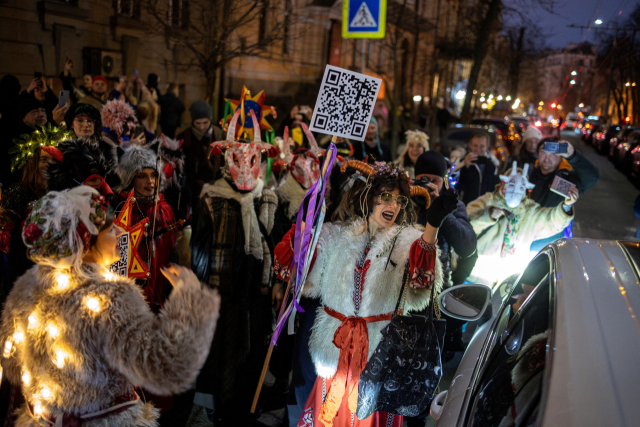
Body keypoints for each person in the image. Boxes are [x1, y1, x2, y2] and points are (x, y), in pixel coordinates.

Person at [0, 185, 219, 426]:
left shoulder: (28, 287)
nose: (119, 231)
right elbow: (166, 364)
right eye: (108, 229)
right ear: (85, 242)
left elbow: (11, 365)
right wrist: (189, 299)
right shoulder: (109, 297)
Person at [274, 160, 457, 427]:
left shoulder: (407, 240)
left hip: (379, 353)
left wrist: (432, 227)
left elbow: (421, 281)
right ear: (369, 198)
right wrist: (306, 223)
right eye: (385, 197)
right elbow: (293, 269)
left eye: (399, 201)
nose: (393, 206)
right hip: (335, 350)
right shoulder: (336, 234)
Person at [190, 110, 279, 426]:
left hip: (254, 294)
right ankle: (206, 410)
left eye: (251, 161)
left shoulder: (264, 199)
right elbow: (199, 246)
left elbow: (270, 242)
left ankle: (241, 412)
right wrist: (204, 288)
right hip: (220, 293)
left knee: (250, 355)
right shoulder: (212, 199)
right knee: (215, 355)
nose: (244, 168)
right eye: (237, 160)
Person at [466, 162, 578, 285]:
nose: (515, 190)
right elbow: (466, 224)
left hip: (508, 280)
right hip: (478, 274)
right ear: (504, 183)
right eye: (512, 184)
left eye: (521, 187)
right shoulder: (489, 200)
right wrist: (488, 215)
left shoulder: (530, 210)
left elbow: (550, 220)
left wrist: (566, 206)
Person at [113, 144, 179, 312]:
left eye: (153, 175)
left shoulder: (164, 210)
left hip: (160, 294)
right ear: (130, 179)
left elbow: (171, 251)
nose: (150, 182)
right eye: (142, 176)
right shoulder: (120, 209)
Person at [179, 100, 221, 206]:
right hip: (194, 192)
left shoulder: (220, 135)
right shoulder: (184, 138)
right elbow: (181, 168)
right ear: (192, 121)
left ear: (210, 120)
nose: (201, 127)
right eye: (197, 123)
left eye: (205, 123)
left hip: (218, 189)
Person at [456, 132, 498, 205]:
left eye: (482, 146)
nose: (478, 149)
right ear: (470, 145)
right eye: (475, 145)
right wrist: (464, 165)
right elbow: (453, 181)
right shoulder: (461, 161)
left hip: (485, 206)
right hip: (467, 205)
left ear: (487, 146)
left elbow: (494, 186)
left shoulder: (493, 163)